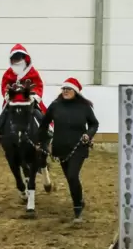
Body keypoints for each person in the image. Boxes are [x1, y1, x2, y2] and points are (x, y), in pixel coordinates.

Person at [38, 77, 99, 222]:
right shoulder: (55, 105)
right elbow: (44, 124)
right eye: (63, 89)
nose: (65, 91)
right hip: (60, 148)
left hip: (78, 147)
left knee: (72, 175)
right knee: (70, 179)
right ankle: (79, 200)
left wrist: (88, 134)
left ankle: (77, 209)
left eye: (68, 89)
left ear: (75, 91)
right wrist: (43, 141)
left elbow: (94, 124)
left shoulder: (84, 107)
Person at [0, 44, 46, 144]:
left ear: (24, 58)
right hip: (13, 101)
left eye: (19, 58)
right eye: (15, 59)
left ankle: (46, 133)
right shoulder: (8, 73)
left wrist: (33, 97)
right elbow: (4, 86)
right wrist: (8, 95)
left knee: (39, 114)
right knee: (3, 115)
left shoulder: (33, 72)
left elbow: (38, 85)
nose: (17, 61)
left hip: (28, 100)